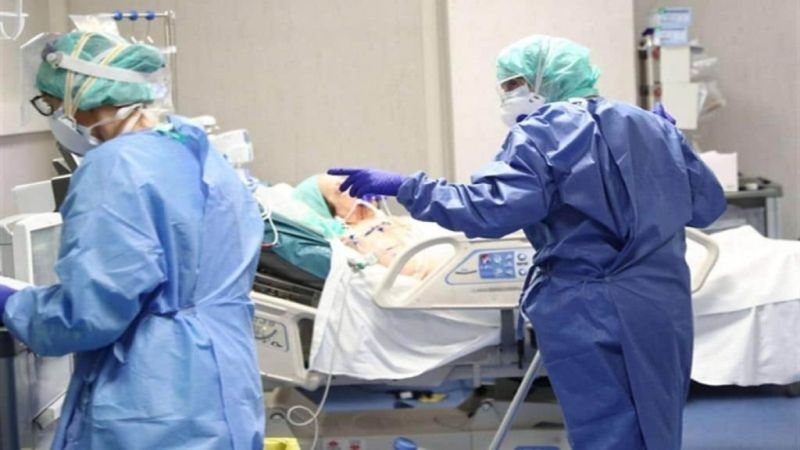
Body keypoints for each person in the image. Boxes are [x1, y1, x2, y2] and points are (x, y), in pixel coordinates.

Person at [329, 35, 726, 450]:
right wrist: (671, 145)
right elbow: (707, 207)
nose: (506, 96)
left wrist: (405, 186)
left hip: (591, 309)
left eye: (512, 84)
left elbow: (488, 209)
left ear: (543, 80)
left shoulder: (545, 133)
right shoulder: (650, 125)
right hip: (660, 303)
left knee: (608, 429)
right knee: (657, 425)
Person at [0, 31, 264, 449]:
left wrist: (13, 304)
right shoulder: (195, 149)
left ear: (84, 98)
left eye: (56, 105)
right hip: (226, 379)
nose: (60, 118)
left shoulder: (115, 166)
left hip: (157, 395)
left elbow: (87, 314)